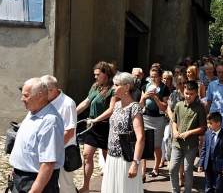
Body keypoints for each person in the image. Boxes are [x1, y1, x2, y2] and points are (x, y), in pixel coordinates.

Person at [9, 78, 65, 193]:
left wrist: (35, 191)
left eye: (26, 96)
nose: (22, 99)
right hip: (21, 178)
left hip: (35, 182)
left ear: (40, 96)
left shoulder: (50, 122)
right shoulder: (32, 112)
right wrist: (16, 167)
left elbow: (48, 163)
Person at [76, 61, 118, 193]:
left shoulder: (113, 89)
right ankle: (86, 185)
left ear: (106, 74)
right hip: (93, 127)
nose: (95, 77)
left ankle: (112, 186)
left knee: (108, 158)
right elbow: (87, 102)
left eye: (98, 74)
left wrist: (96, 119)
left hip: (106, 127)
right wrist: (72, 114)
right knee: (87, 155)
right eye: (95, 74)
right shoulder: (95, 87)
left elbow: (111, 110)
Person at [101, 72, 145, 193]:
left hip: (125, 159)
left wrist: (135, 163)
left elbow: (140, 137)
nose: (113, 88)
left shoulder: (134, 107)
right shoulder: (116, 105)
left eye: (116, 85)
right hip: (111, 157)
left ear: (127, 87)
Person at [40, 75, 78, 193]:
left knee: (65, 185)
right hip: (49, 151)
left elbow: (70, 131)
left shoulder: (67, 104)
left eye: (44, 92)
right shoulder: (47, 101)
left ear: (51, 89)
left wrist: (55, 149)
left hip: (63, 151)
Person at [169, 81, 207, 193]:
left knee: (187, 170)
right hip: (177, 143)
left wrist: (189, 133)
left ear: (196, 94)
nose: (188, 96)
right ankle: (175, 190)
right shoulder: (179, 105)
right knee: (172, 169)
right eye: (186, 93)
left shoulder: (200, 109)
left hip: (191, 145)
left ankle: (187, 191)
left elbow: (203, 127)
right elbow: (174, 121)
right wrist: (175, 130)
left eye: (191, 93)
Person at [139, 64, 170, 180]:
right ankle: (143, 171)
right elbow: (140, 105)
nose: (153, 79)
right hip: (146, 117)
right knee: (144, 144)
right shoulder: (145, 87)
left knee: (157, 145)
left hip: (158, 119)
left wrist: (156, 98)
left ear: (160, 77)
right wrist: (144, 97)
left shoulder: (164, 89)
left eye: (156, 77)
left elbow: (164, 107)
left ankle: (156, 168)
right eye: (151, 77)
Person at [198, 112, 223, 193]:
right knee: (208, 187)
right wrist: (201, 164)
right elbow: (204, 150)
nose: (208, 125)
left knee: (218, 187)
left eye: (210, 123)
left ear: (218, 123)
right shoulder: (207, 133)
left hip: (219, 166)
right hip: (208, 165)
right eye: (208, 123)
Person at [166, 72, 188, 186]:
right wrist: (174, 120)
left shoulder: (190, 94)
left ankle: (184, 174)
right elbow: (169, 108)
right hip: (174, 126)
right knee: (177, 151)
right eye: (180, 83)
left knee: (186, 152)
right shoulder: (173, 94)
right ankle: (180, 176)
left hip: (187, 126)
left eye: (184, 83)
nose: (182, 85)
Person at [160, 71, 175, 168]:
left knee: (166, 138)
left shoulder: (174, 90)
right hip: (161, 116)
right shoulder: (160, 88)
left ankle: (168, 158)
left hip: (171, 117)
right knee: (162, 139)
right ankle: (162, 159)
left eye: (168, 78)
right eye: (164, 78)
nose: (166, 80)